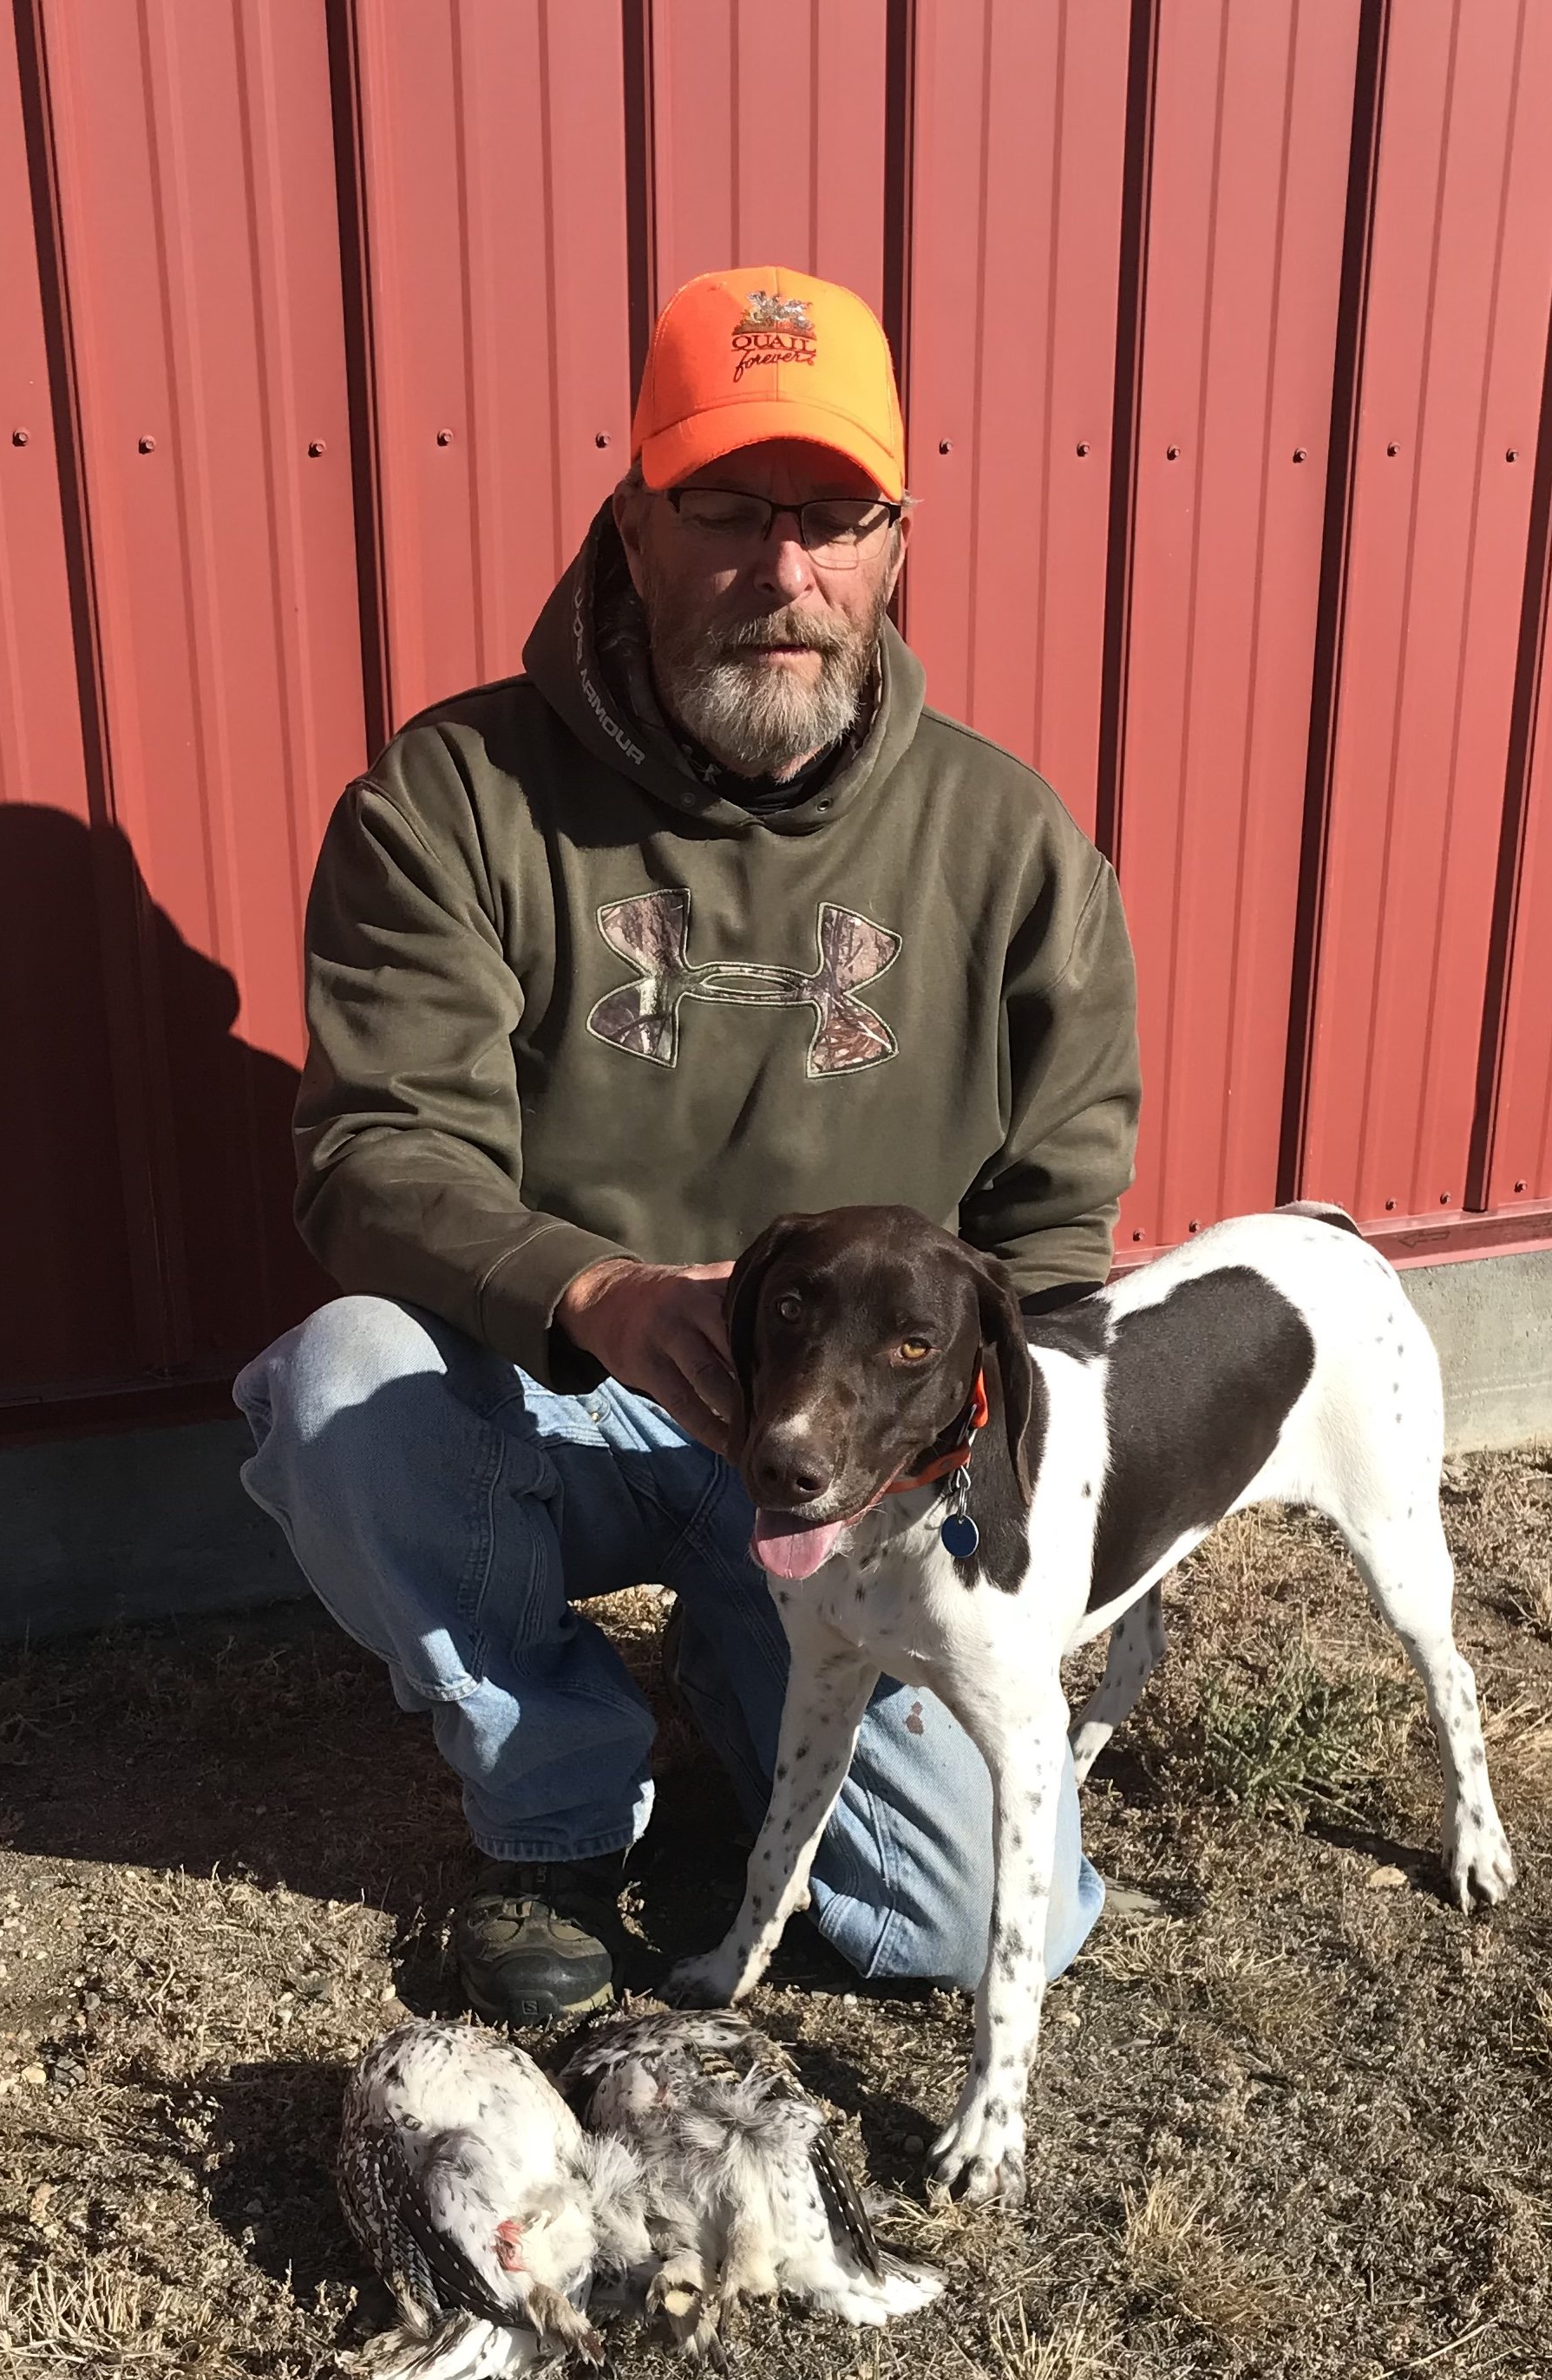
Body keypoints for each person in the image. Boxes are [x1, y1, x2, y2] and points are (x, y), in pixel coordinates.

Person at [235, 266, 1142, 2024]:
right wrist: (602, 1289)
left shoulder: (1010, 843)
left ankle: (763, 1690)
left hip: (857, 1448)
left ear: (896, 538)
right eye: (727, 508)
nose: (784, 568)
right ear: (636, 525)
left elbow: (1052, 1247)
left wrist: (977, 1513)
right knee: (341, 1383)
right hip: (558, 1388)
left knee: (946, 1929)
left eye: (833, 516)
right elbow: (371, 1149)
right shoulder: (453, 803)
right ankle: (558, 1804)